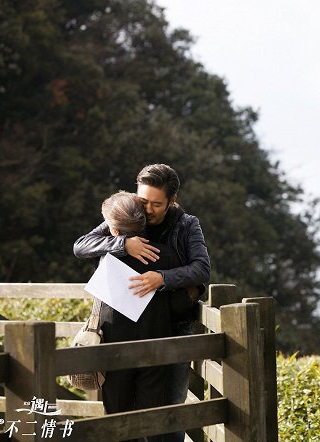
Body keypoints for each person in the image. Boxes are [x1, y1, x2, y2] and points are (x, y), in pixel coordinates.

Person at [74, 164, 211, 442]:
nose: (146, 209)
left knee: (166, 421)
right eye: (142, 200)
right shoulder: (129, 215)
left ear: (172, 201)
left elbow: (201, 270)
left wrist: (161, 278)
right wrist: (123, 245)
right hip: (121, 332)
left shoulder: (186, 224)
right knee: (122, 416)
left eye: (156, 204)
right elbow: (81, 245)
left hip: (169, 330)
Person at [81, 191, 180, 442]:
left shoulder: (105, 254)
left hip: (114, 345)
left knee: (116, 416)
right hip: (155, 343)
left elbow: (81, 244)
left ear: (113, 231)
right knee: (151, 419)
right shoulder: (167, 255)